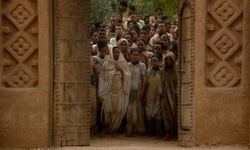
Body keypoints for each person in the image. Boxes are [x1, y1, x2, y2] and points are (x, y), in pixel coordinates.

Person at [98, 46, 131, 137]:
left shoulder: (124, 63)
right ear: (112, 53)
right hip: (109, 91)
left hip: (120, 91)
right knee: (107, 110)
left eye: (118, 52)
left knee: (118, 110)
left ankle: (115, 130)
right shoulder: (106, 64)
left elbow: (128, 77)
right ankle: (106, 128)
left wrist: (121, 70)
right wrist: (101, 92)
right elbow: (102, 79)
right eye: (115, 52)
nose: (116, 54)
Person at [126, 48, 147, 137]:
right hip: (130, 91)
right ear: (130, 56)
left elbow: (144, 80)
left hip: (138, 90)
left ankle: (138, 129)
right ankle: (130, 129)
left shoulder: (142, 66)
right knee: (130, 111)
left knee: (138, 111)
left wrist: (142, 92)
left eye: (137, 55)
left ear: (139, 56)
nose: (135, 56)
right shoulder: (127, 65)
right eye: (133, 54)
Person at [144, 55, 163, 138]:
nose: (155, 63)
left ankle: (158, 132)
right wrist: (144, 95)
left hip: (158, 96)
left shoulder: (162, 72)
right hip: (149, 95)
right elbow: (145, 84)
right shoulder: (148, 72)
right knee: (149, 114)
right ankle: (150, 131)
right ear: (151, 62)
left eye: (156, 61)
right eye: (153, 61)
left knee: (158, 114)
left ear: (159, 62)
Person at [160, 52, 178, 140]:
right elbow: (160, 82)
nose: (169, 61)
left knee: (175, 113)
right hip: (166, 94)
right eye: (167, 59)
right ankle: (168, 133)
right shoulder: (163, 70)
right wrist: (161, 91)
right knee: (166, 114)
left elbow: (179, 82)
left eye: (170, 59)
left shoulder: (176, 71)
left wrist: (176, 91)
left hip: (174, 95)